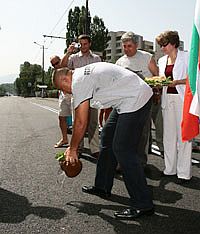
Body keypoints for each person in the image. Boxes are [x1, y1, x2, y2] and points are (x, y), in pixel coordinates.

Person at [52, 62, 154, 219]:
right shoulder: (82, 76)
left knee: (123, 149)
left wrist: (72, 149)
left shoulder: (79, 80)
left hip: (136, 98)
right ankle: (102, 187)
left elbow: (80, 122)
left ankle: (143, 203)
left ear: (65, 79)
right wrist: (71, 147)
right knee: (107, 136)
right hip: (126, 101)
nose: (64, 92)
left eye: (61, 88)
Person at [116, 31, 163, 167]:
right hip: (127, 102)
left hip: (145, 100)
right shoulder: (120, 62)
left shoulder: (147, 57)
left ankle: (141, 163)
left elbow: (157, 76)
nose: (126, 49)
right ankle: (125, 161)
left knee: (143, 132)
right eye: (124, 46)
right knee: (126, 132)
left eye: (129, 46)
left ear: (136, 45)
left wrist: (156, 91)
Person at [156, 30, 192, 183]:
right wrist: (158, 83)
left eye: (164, 44)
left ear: (173, 43)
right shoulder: (162, 61)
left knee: (183, 136)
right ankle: (170, 169)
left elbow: (193, 78)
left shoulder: (187, 56)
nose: (162, 48)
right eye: (161, 45)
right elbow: (162, 78)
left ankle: (184, 172)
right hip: (167, 98)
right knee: (168, 136)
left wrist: (177, 82)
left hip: (182, 99)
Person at [61, 34, 101, 158]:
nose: (83, 47)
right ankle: (78, 147)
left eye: (85, 44)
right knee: (77, 122)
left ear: (89, 44)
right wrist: (68, 53)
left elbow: (100, 75)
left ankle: (95, 148)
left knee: (93, 122)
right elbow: (62, 68)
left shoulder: (96, 58)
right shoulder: (73, 58)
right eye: (81, 44)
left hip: (93, 95)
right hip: (78, 95)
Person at [50, 55, 72, 148]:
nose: (56, 66)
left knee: (77, 120)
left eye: (57, 63)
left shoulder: (69, 65)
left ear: (61, 60)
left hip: (73, 96)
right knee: (61, 117)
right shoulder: (55, 72)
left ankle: (77, 145)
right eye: (53, 65)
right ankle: (64, 139)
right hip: (63, 97)